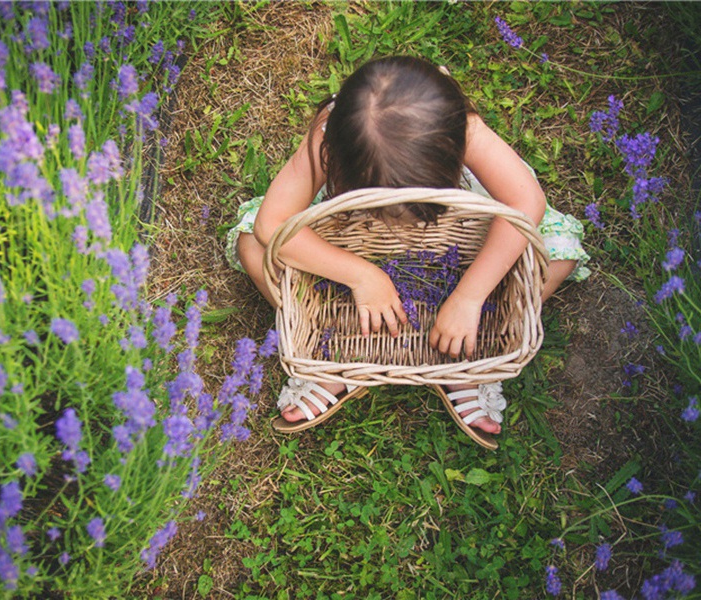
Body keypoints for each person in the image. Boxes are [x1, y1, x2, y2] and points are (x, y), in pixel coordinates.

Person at [224, 55, 589, 447]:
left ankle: (469, 360)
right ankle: (325, 355)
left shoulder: (459, 125)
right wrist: (361, 274)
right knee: (253, 246)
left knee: (556, 256)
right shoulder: (330, 133)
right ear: (340, 160)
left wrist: (469, 294)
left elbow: (525, 204)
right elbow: (270, 225)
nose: (399, 223)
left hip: (462, 227)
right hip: (351, 231)